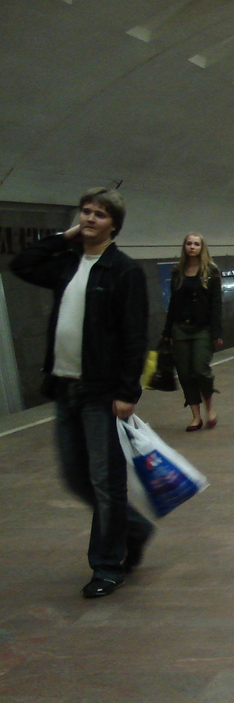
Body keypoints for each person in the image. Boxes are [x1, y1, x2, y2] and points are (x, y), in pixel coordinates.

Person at [11, 187, 153, 598]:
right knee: (76, 477)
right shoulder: (66, 263)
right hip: (65, 386)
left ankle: (108, 566)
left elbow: (133, 335)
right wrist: (66, 236)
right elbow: (22, 264)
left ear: (115, 225)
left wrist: (128, 392)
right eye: (86, 212)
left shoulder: (123, 271)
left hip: (101, 391)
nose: (90, 218)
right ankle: (134, 527)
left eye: (100, 215)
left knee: (106, 480)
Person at [162, 232, 224, 432]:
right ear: (184, 247)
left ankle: (210, 408)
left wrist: (217, 332)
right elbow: (173, 303)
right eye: (189, 243)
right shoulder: (177, 272)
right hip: (180, 328)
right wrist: (167, 330)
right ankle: (196, 416)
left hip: (202, 329)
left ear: (202, 248)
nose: (192, 247)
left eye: (196, 244)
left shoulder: (211, 272)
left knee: (200, 370)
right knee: (185, 373)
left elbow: (216, 304)